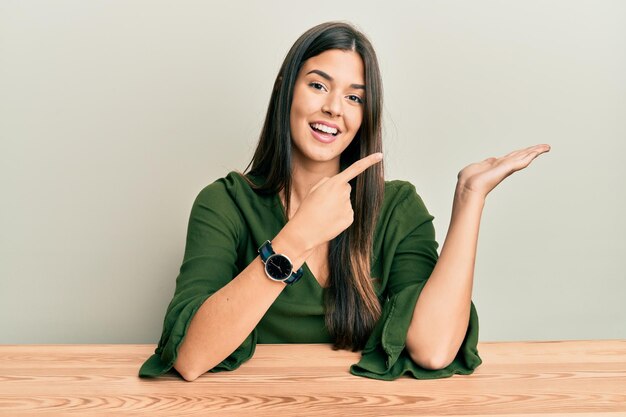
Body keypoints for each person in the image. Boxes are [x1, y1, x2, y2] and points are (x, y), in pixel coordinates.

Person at [138, 21, 550, 382]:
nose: (334, 108)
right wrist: (296, 238)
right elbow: (191, 359)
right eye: (318, 85)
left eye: (354, 97)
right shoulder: (224, 203)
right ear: (286, 90)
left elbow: (434, 349)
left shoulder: (397, 207)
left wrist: (469, 198)